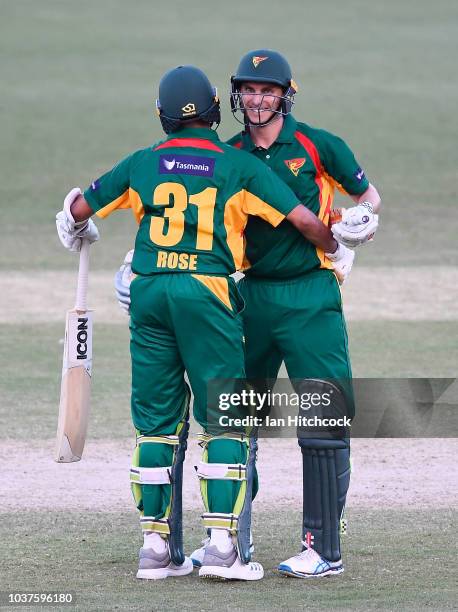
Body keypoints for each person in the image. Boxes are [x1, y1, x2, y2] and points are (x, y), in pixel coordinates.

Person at [56, 64, 351, 582]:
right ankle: (222, 549)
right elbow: (304, 221)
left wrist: (74, 221)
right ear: (217, 109)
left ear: (162, 116)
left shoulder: (142, 162)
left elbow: (81, 206)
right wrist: (337, 247)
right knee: (226, 419)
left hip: (147, 294)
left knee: (156, 424)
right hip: (208, 294)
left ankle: (156, 550)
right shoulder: (237, 165)